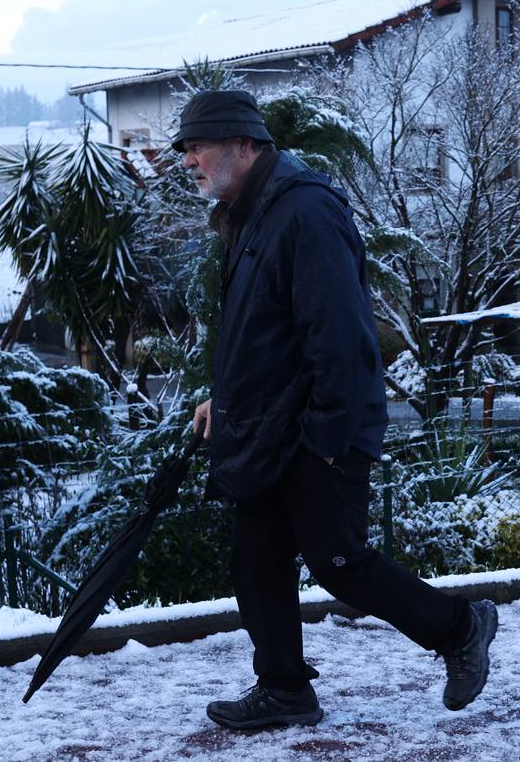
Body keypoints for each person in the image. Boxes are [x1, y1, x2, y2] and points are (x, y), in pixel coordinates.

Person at [178, 89, 499, 731]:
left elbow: (341, 335)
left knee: (339, 562)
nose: (188, 160)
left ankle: (461, 626)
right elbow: (264, 330)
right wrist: (226, 398)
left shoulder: (305, 211)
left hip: (319, 425)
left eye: (197, 146)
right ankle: (285, 690)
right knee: (257, 557)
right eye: (185, 149)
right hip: (269, 425)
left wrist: (327, 437)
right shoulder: (249, 212)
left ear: (245, 145)